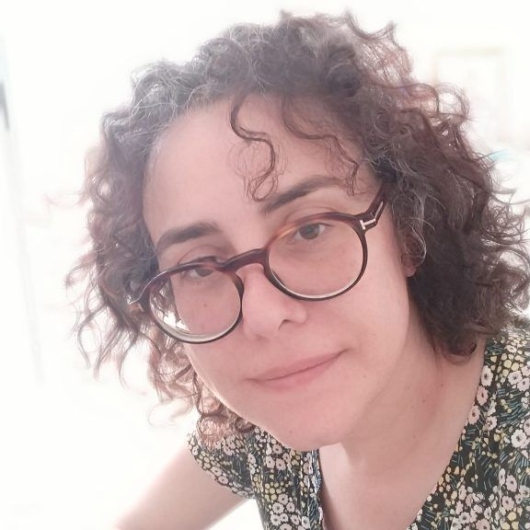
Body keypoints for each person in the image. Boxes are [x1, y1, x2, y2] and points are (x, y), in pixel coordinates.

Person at [70, 11, 530, 530]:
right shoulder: (257, 427)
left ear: (408, 229)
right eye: (199, 267)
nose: (264, 316)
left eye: (310, 230)